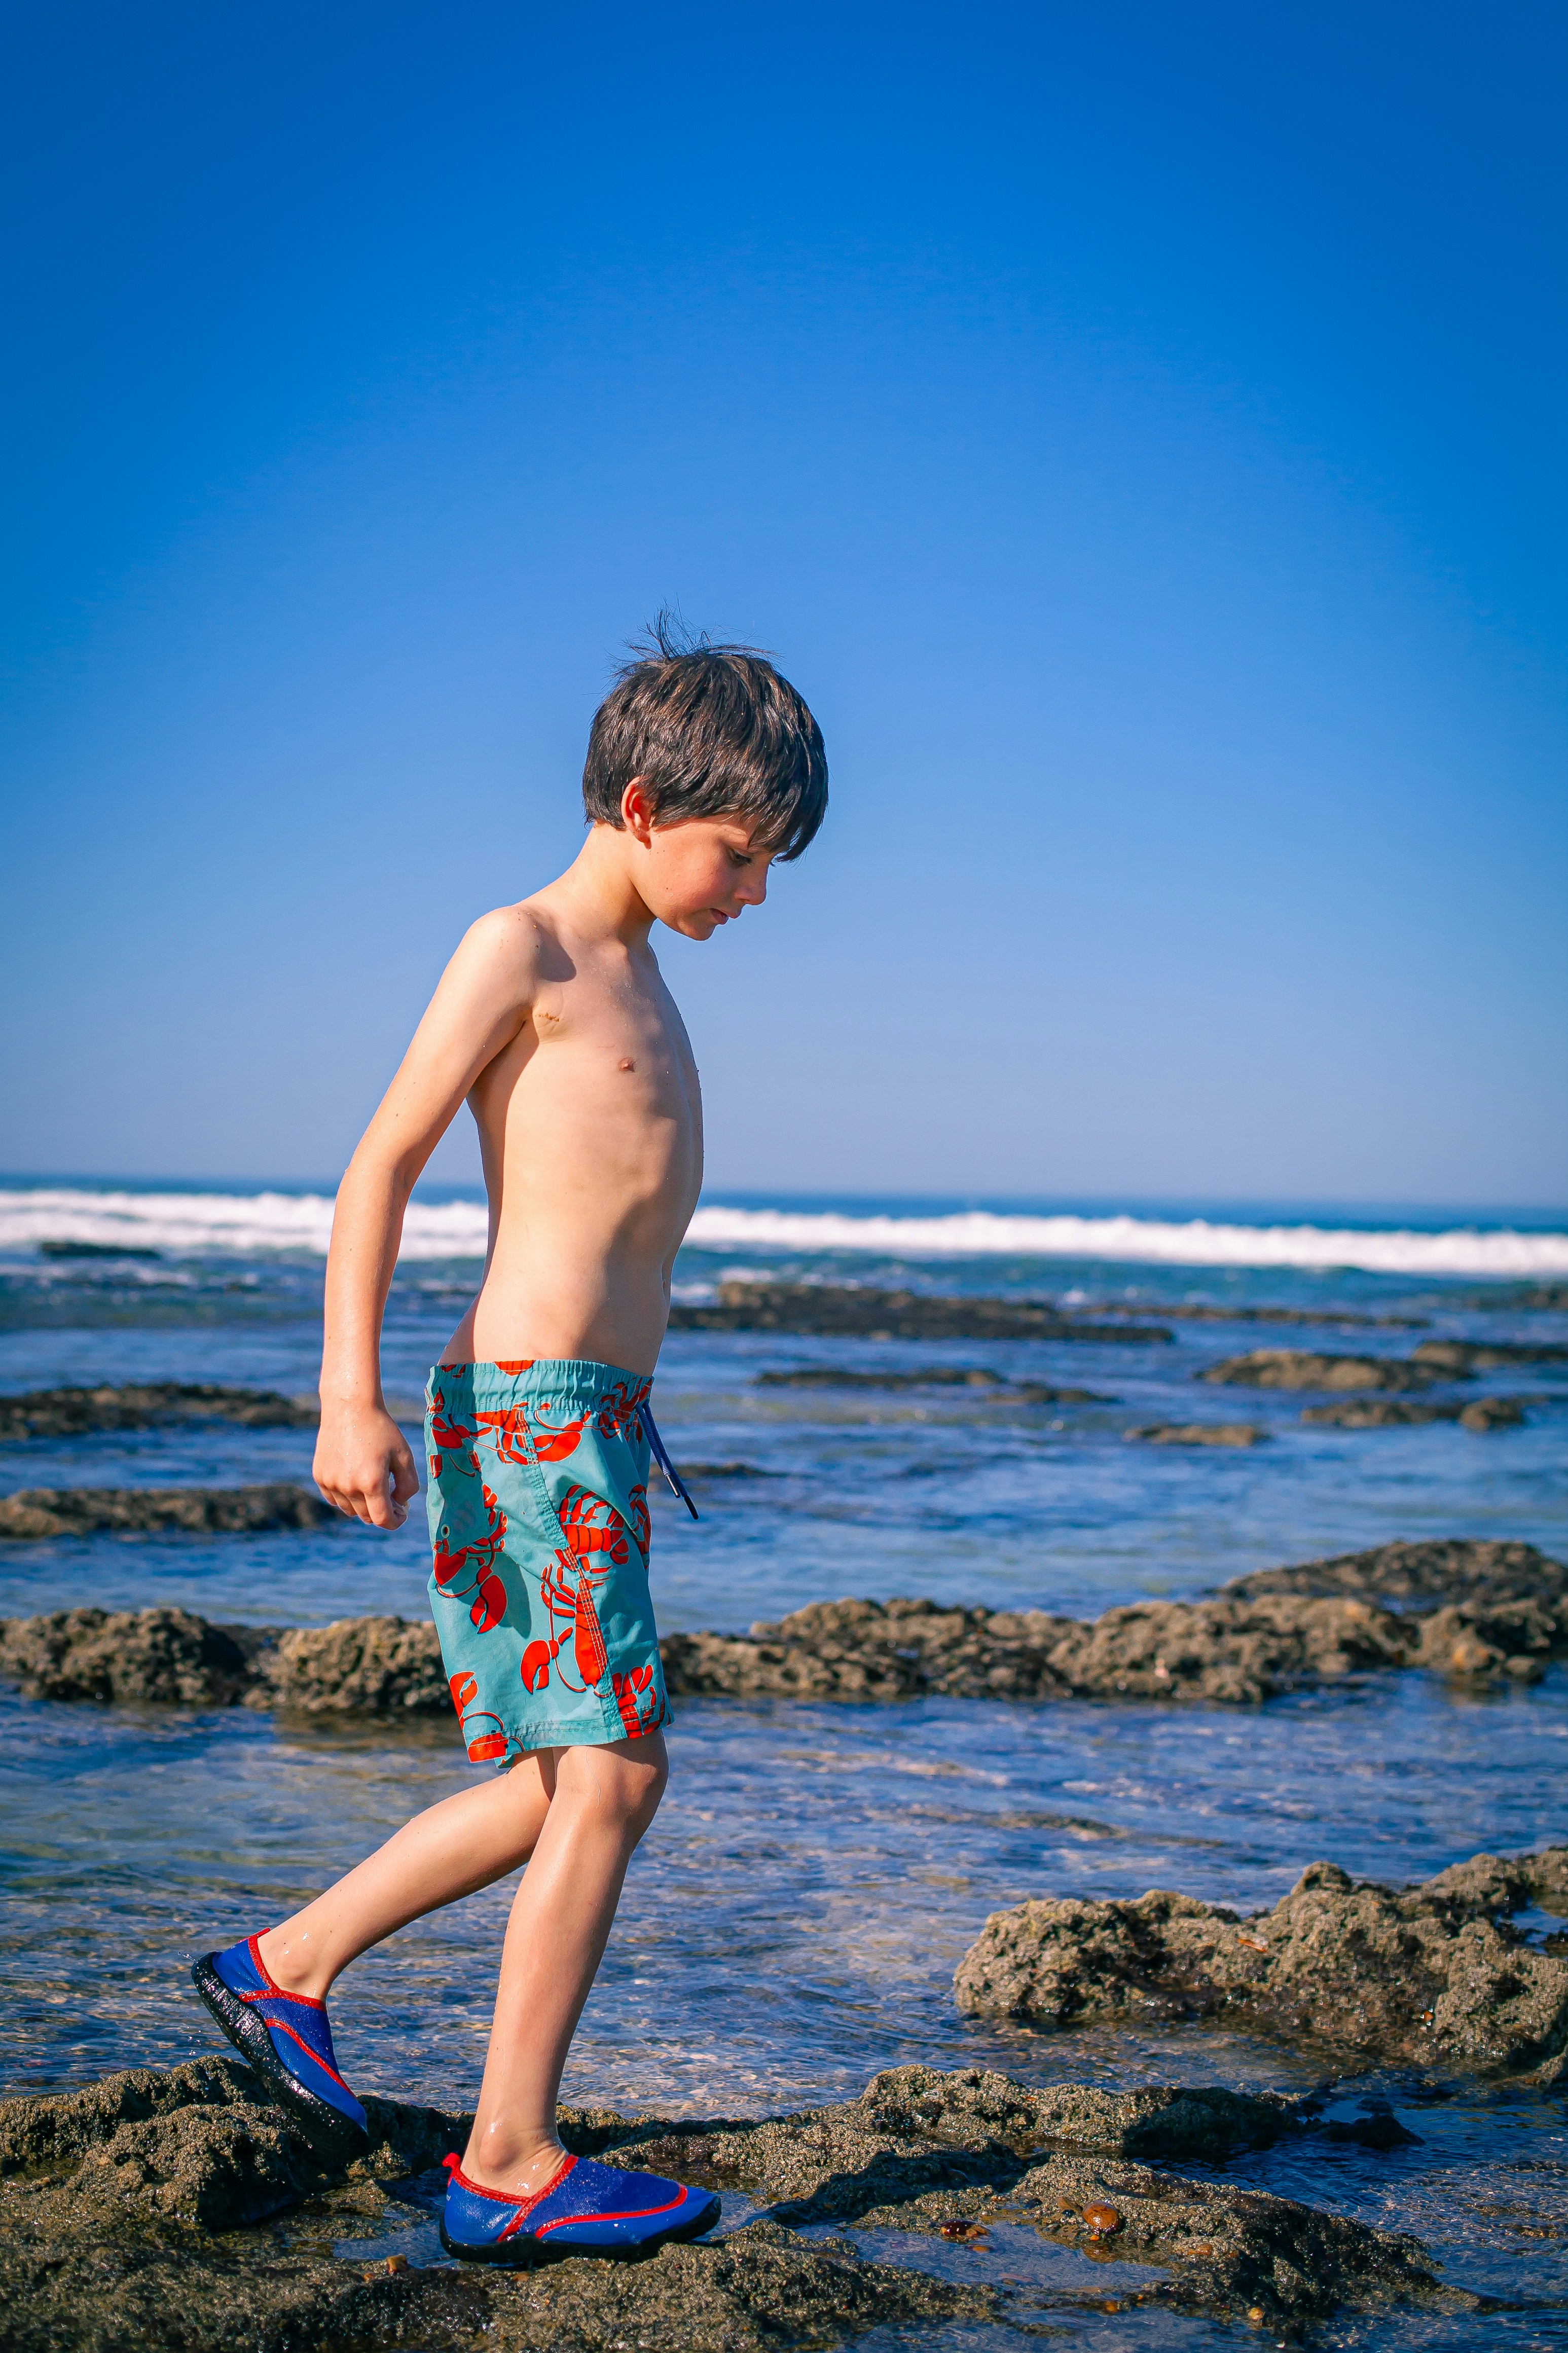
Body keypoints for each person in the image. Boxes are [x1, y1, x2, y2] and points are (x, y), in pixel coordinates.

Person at [192, 621, 828, 2265]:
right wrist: (346, 1392)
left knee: (570, 1774)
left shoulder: (650, 975)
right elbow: (381, 1163)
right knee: (613, 1771)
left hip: (594, 1428)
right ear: (641, 799)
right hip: (531, 1416)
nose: (752, 892)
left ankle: (291, 1963)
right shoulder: (525, 946)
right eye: (740, 854)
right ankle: (510, 2153)